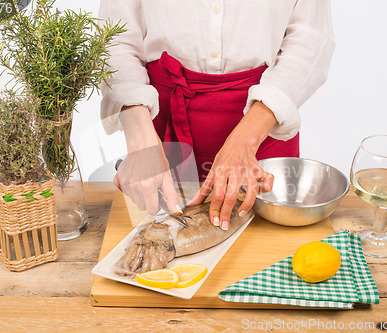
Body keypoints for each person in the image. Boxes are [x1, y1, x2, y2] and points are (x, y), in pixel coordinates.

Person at [99, 0, 335, 230]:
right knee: (157, 234)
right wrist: (140, 142)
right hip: (159, 122)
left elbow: (310, 40)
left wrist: (245, 141)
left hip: (263, 122)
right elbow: (114, 40)